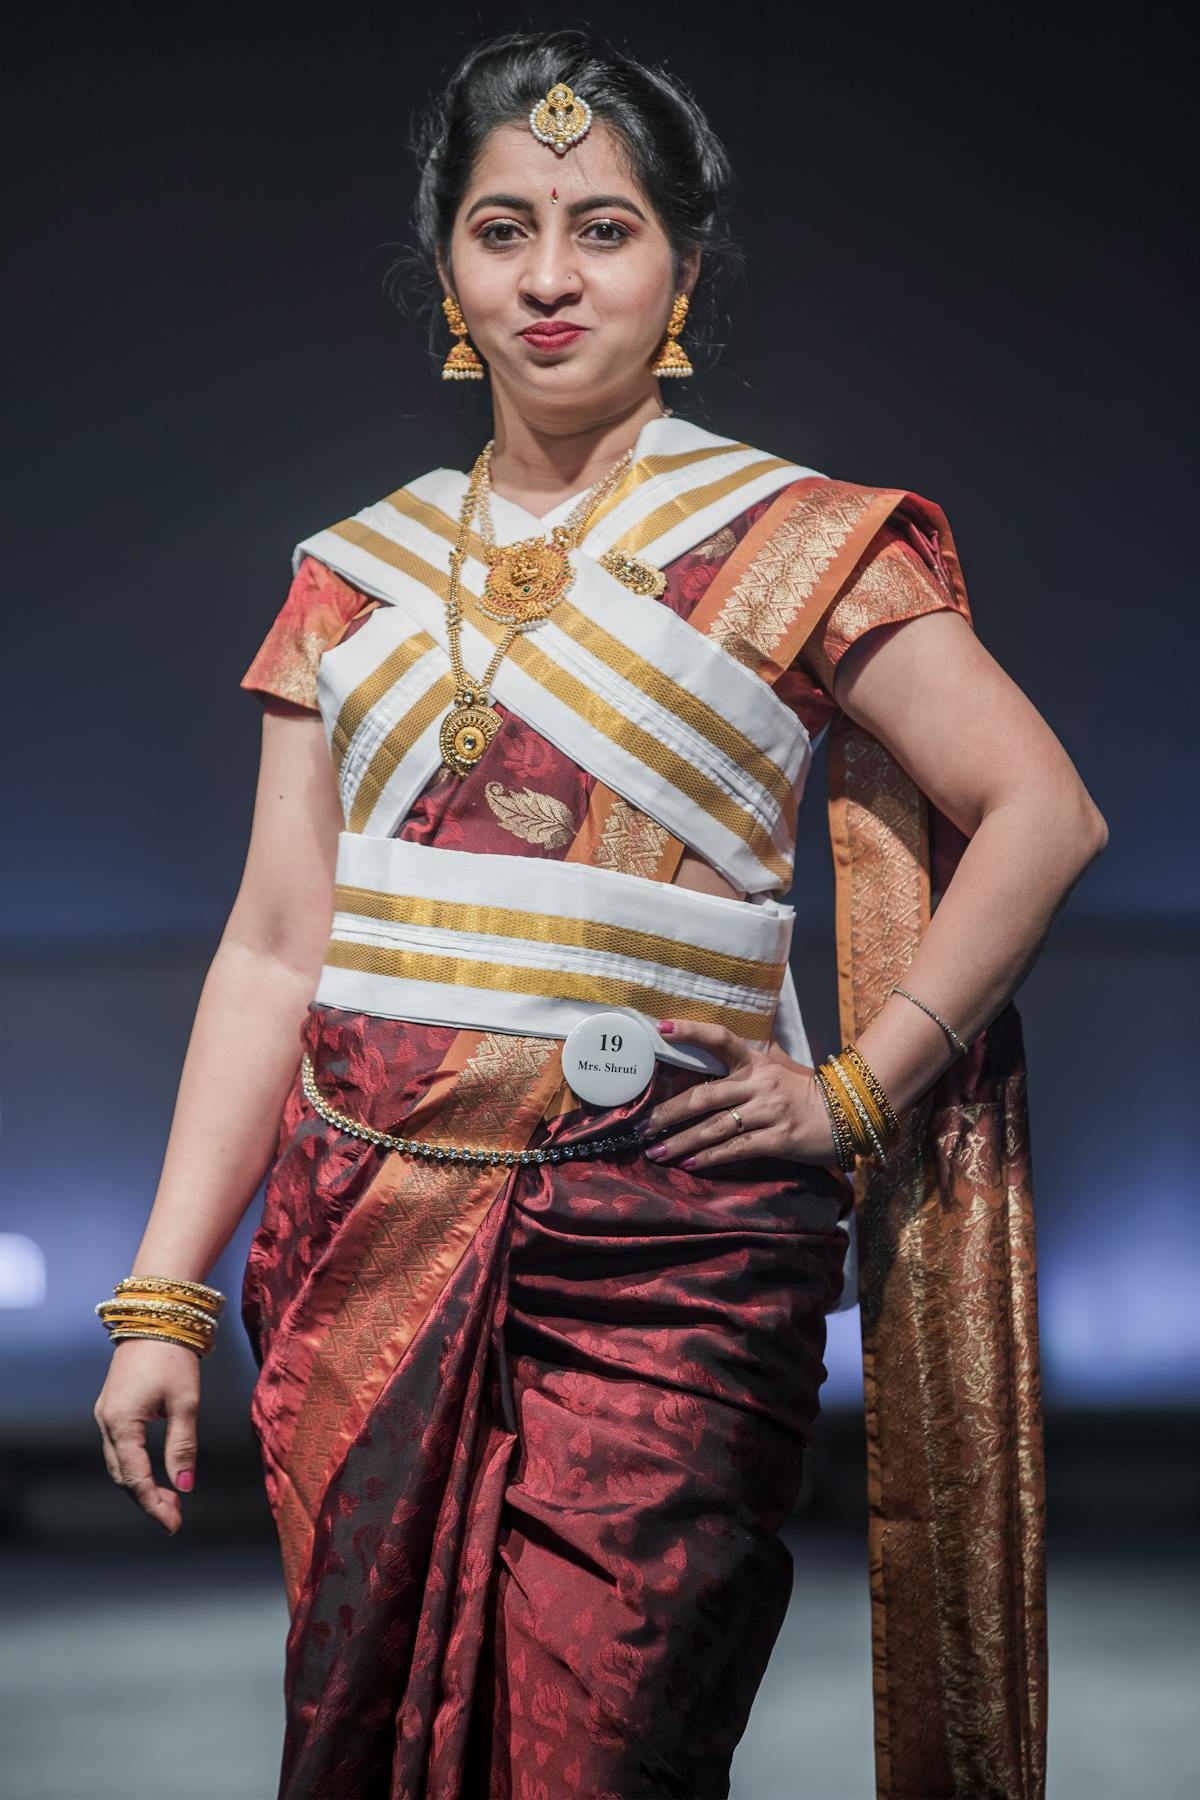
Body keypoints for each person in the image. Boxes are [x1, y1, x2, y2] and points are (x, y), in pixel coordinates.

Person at [91, 28, 1106, 1800]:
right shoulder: (354, 573)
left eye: (605, 228)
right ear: (448, 274)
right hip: (367, 1232)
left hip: (672, 1245)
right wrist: (162, 1293)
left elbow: (1042, 809)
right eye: (502, 229)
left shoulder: (798, 538)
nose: (550, 278)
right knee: (359, 1742)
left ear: (684, 267)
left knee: (606, 1748)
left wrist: (863, 1086)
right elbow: (274, 941)